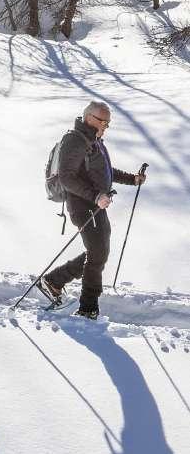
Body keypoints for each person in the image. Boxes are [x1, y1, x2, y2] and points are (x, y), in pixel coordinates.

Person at [37, 99, 147, 319]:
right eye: (103, 121)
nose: (106, 126)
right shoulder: (75, 140)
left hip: (95, 205)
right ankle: (88, 308)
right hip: (83, 205)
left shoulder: (92, 140)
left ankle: (54, 281)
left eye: (108, 122)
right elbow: (67, 177)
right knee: (98, 254)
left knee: (98, 253)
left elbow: (104, 171)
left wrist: (132, 179)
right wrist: (96, 196)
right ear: (89, 118)